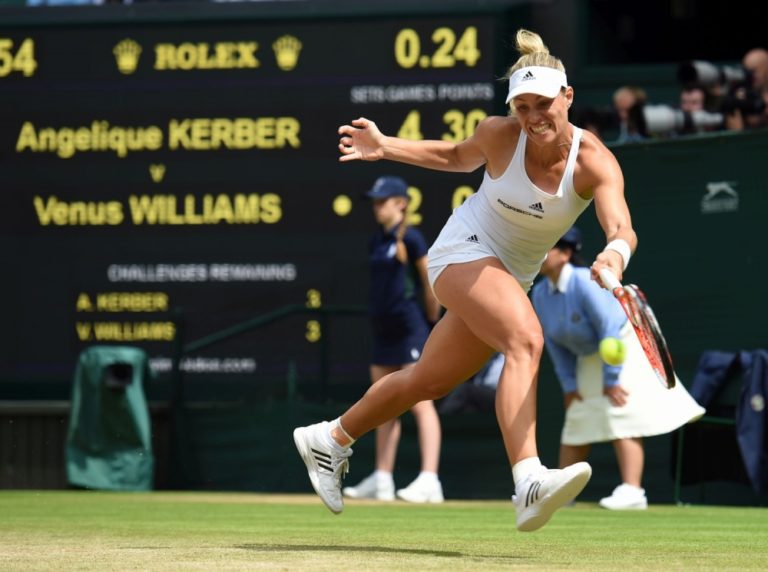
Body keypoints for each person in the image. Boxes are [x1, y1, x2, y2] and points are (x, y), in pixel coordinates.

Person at [294, 28, 636, 532]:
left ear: (567, 97)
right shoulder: (500, 134)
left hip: (510, 275)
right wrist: (385, 146)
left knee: (426, 381)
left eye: (543, 104)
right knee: (526, 339)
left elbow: (621, 227)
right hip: (462, 251)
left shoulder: (594, 162)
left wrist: (613, 256)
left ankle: (330, 439)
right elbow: (454, 156)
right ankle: (528, 479)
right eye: (522, 106)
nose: (533, 117)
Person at [531, 227, 705, 510]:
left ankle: (633, 491)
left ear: (564, 254)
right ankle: (563, 495)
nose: (540, 253)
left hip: (620, 344)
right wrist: (570, 386)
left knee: (620, 412)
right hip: (588, 355)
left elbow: (609, 326)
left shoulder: (582, 282)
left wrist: (611, 379)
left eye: (547, 247)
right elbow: (554, 344)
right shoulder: (540, 294)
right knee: (578, 419)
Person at [341, 175, 444, 504]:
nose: (377, 207)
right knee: (381, 404)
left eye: (382, 201)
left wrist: (432, 322)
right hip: (383, 329)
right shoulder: (376, 240)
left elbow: (428, 281)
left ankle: (430, 479)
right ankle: (383, 477)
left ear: (401, 203)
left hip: (410, 328)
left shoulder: (412, 238)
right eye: (374, 201)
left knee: (421, 403)